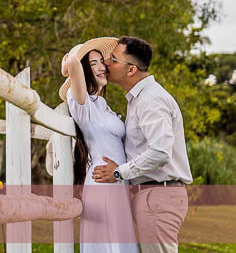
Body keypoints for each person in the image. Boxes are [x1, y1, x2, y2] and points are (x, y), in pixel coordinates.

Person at [91, 36, 192, 253]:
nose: (107, 63)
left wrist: (118, 173)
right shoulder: (139, 99)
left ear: (131, 70)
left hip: (158, 195)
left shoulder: (151, 100)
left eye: (114, 60)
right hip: (152, 195)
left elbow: (160, 152)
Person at [60, 37, 138, 252]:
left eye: (101, 62)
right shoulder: (81, 102)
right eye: (93, 64)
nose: (102, 67)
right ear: (84, 72)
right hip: (102, 183)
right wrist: (67, 67)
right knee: (108, 244)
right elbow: (74, 63)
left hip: (116, 182)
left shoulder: (101, 104)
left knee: (120, 243)